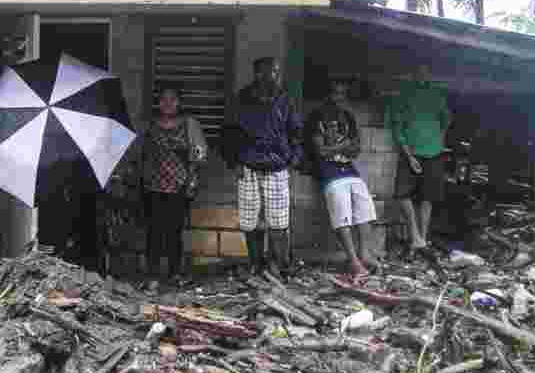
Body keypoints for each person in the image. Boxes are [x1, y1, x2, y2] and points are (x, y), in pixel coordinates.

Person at [224, 57, 303, 278]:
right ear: (257, 74)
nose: (273, 77)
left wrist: (292, 159)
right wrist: (235, 161)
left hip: (276, 168)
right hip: (248, 168)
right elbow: (229, 132)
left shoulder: (285, 100)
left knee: (278, 222)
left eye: (276, 72)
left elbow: (296, 132)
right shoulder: (242, 99)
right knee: (250, 222)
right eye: (268, 72)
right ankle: (256, 265)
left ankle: (281, 266)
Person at [138, 83, 208, 288]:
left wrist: (194, 155)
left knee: (174, 231)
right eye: (163, 99)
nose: (167, 103)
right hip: (152, 186)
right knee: (153, 231)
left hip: (180, 186)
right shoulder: (149, 125)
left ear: (179, 103)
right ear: (158, 103)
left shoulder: (189, 124)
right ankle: (152, 275)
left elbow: (201, 154)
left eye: (172, 99)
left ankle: (174, 273)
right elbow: (138, 153)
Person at [308, 76, 378, 278]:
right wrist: (343, 147)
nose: (340, 98)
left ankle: (365, 254)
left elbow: (356, 149)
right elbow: (321, 151)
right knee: (342, 215)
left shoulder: (348, 116)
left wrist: (340, 148)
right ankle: (354, 261)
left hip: (349, 170)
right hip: (329, 173)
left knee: (365, 207)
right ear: (328, 95)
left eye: (343, 94)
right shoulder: (317, 117)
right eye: (337, 93)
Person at [387, 64, 452, 253]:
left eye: (426, 71)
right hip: (411, 153)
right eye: (419, 71)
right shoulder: (404, 94)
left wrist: (440, 139)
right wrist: (408, 155)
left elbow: (446, 118)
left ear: (429, 74)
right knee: (402, 195)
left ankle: (421, 240)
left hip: (433, 152)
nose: (422, 74)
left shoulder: (436, 94)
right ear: (413, 74)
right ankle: (415, 235)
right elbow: (397, 128)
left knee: (428, 197)